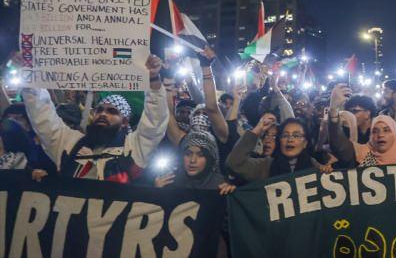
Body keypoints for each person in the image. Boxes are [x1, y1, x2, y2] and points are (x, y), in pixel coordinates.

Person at [21, 55, 169, 182]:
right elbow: (42, 116)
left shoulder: (134, 148)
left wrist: (153, 79)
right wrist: (30, 77)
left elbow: (155, 121)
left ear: (124, 122)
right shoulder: (69, 144)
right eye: (99, 110)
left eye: (112, 112)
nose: (103, 114)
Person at [226, 117, 328, 181]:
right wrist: (257, 130)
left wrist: (327, 172)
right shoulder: (266, 166)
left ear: (305, 143)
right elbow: (234, 164)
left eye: (296, 135)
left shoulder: (314, 166)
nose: (290, 140)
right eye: (285, 135)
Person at [154, 130, 235, 194]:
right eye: (188, 154)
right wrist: (156, 192)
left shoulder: (221, 185)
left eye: (200, 155)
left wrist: (231, 194)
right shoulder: (170, 181)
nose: (193, 160)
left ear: (210, 159)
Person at [328, 112, 396, 167]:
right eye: (375, 131)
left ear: (395, 135)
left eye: (386, 130)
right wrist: (334, 115)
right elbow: (341, 147)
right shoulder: (360, 155)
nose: (380, 135)